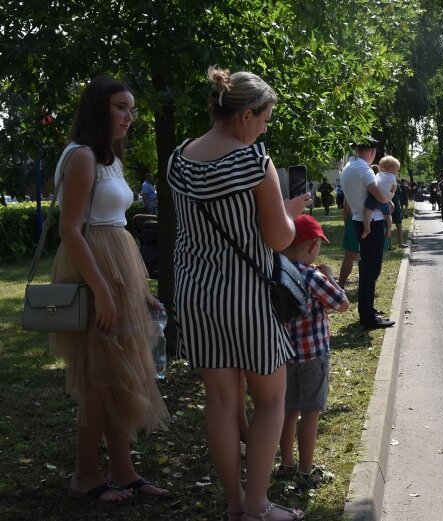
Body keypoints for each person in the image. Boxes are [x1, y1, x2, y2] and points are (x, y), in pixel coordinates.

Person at [168, 66, 307, 521]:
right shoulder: (254, 163)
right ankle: (257, 506)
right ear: (246, 115)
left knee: (221, 403)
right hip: (247, 296)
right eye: (265, 117)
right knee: (270, 400)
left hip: (196, 294)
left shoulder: (178, 159)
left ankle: (232, 505)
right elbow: (279, 239)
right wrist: (287, 212)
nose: (266, 126)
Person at [50, 76, 170, 502]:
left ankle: (123, 469)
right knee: (100, 378)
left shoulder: (109, 157)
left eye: (131, 109)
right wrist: (101, 290)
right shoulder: (81, 156)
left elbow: (116, 224)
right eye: (121, 107)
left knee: (124, 375)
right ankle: (85, 474)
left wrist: (137, 289)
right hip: (94, 271)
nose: (129, 117)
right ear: (98, 108)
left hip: (119, 268)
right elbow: (70, 230)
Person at [277, 215, 349, 489]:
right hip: (313, 356)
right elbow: (341, 304)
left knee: (287, 410)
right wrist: (330, 276)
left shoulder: (277, 271)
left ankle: (286, 462)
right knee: (310, 412)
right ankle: (306, 470)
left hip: (284, 356)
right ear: (312, 247)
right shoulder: (311, 275)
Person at [340, 138, 395, 330]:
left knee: (367, 269)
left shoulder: (350, 166)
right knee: (371, 270)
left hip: (360, 219)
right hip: (372, 222)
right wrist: (390, 198)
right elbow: (380, 195)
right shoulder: (363, 169)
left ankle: (368, 310)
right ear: (372, 150)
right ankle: (368, 317)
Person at [360, 155, 399, 241]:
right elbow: (394, 188)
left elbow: (373, 183)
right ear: (392, 169)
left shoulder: (377, 174)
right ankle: (388, 230)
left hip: (374, 198)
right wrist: (392, 192)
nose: (397, 173)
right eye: (397, 170)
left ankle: (367, 228)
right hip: (385, 202)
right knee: (388, 216)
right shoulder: (393, 178)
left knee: (367, 211)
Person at [338, 199, 360, 287]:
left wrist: (347, 225)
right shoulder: (374, 185)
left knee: (349, 257)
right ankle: (366, 286)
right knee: (369, 257)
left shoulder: (349, 185)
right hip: (372, 220)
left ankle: (341, 285)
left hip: (354, 220)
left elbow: (346, 208)